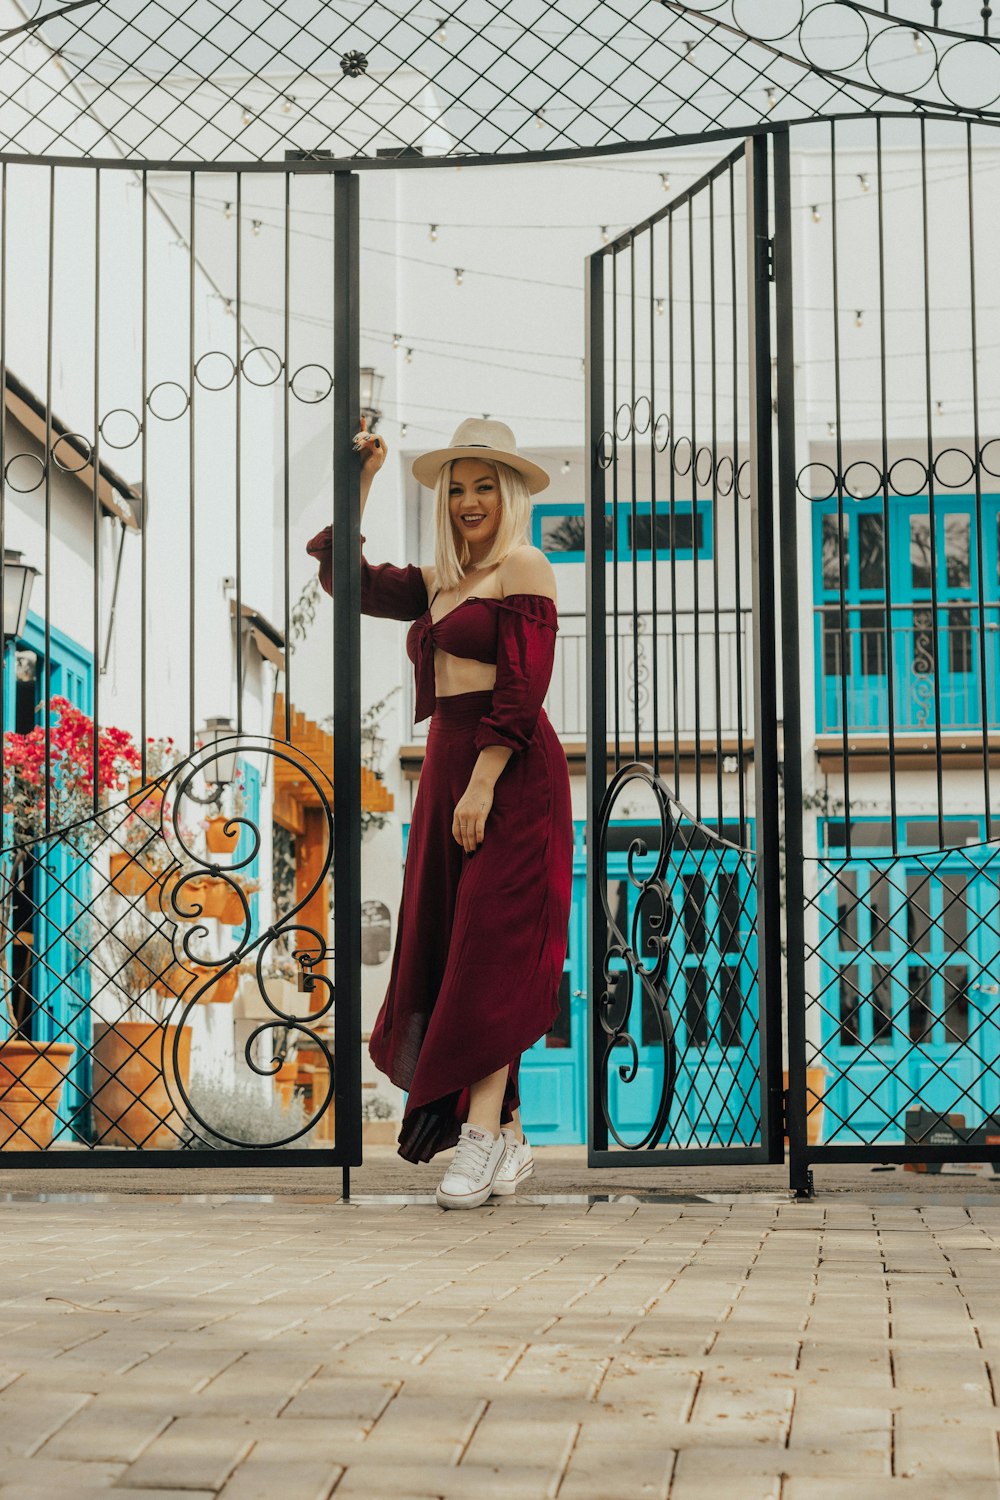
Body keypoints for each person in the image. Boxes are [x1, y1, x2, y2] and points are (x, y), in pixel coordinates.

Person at [307, 416, 573, 1209]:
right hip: (450, 765)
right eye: (456, 488)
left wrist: (486, 780)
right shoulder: (436, 581)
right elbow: (343, 581)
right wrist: (361, 480)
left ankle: (483, 1136)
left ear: (511, 492)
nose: (467, 500)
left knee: (492, 948)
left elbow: (525, 686)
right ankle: (513, 1142)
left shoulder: (526, 565)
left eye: (484, 485)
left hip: (511, 769)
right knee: (455, 951)